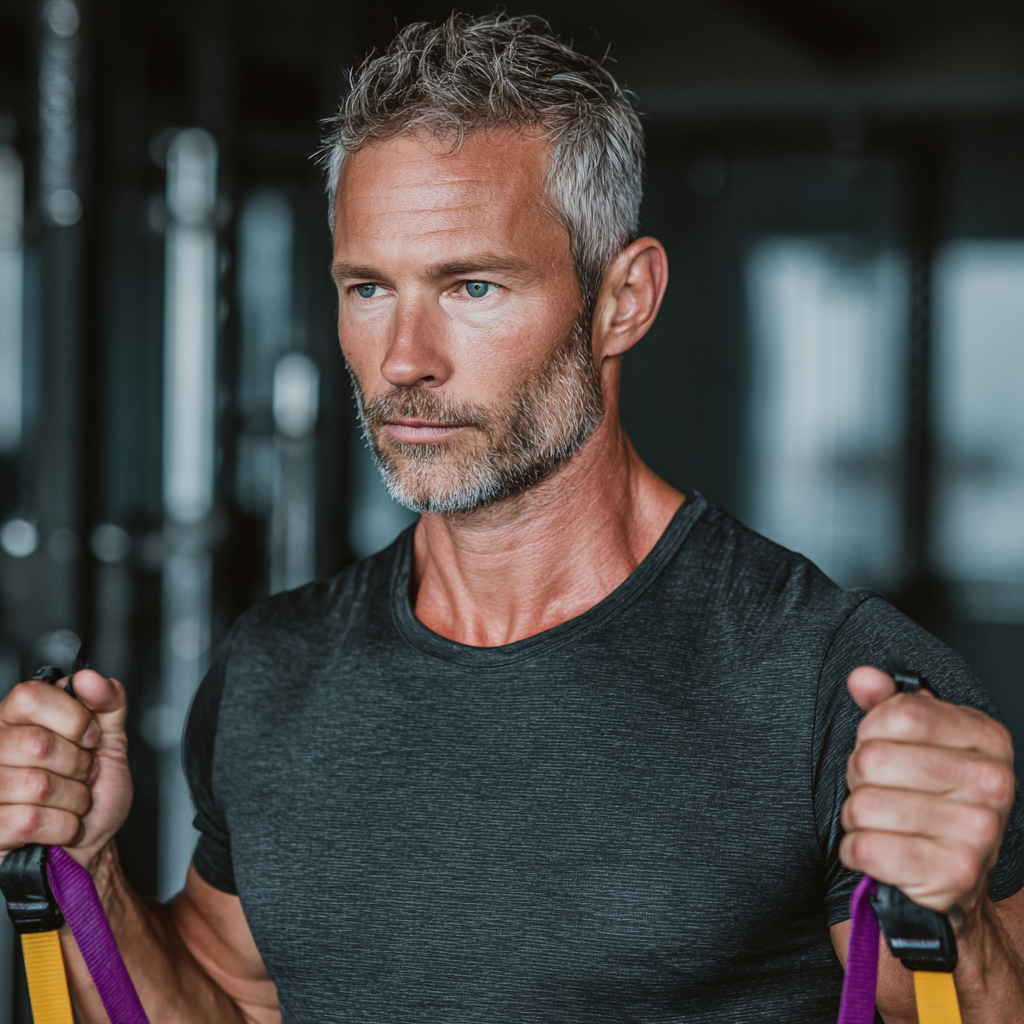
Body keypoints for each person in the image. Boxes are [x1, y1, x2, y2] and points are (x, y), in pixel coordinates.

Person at [1, 13, 1022, 1023]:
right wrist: (89, 872)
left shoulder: (841, 683)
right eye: (368, 288)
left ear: (622, 299)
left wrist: (960, 922)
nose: (404, 359)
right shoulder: (273, 670)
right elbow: (229, 998)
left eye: (472, 285)